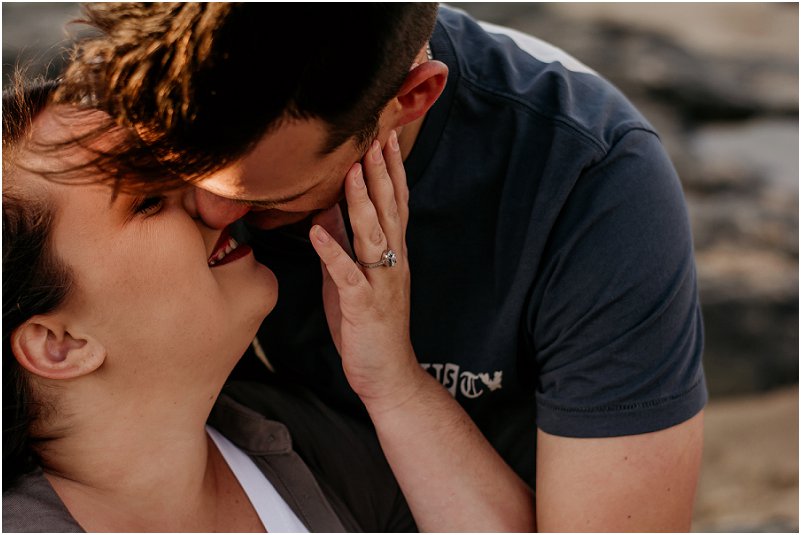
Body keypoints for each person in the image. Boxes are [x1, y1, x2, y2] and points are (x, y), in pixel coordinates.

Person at [56, 3, 707, 530]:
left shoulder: (588, 188)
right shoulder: (125, 89)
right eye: (162, 176)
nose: (202, 215)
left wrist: (395, 380)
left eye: (265, 200)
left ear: (413, 98)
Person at [0, 78, 409, 532]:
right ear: (60, 345)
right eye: (148, 202)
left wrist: (392, 384)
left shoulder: (299, 439)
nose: (216, 205)